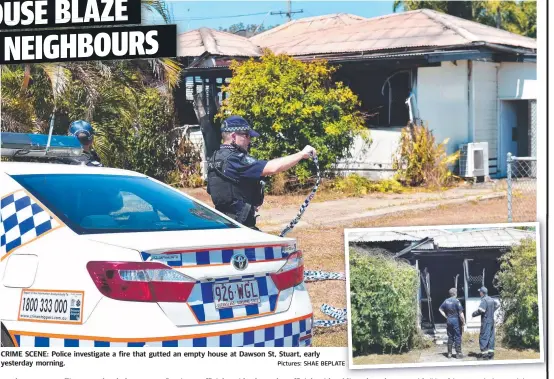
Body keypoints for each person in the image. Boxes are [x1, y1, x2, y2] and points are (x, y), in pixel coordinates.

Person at [207, 115, 316, 229]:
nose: (249, 140)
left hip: (223, 224)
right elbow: (273, 167)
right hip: (242, 226)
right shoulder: (236, 159)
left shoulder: (215, 158)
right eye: (246, 135)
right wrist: (301, 154)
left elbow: (215, 190)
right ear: (234, 136)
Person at [472, 286, 500, 360]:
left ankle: (484, 355)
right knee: (491, 337)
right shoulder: (491, 299)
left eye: (480, 292)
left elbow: (481, 310)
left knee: (483, 337)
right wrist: (492, 310)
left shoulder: (484, 300)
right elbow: (498, 305)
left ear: (482, 293)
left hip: (486, 321)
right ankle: (491, 354)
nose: (479, 293)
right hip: (491, 321)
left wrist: (473, 314)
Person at [439, 287, 466, 359]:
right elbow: (461, 314)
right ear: (455, 293)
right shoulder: (457, 301)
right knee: (457, 336)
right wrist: (463, 322)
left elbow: (440, 309)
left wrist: (446, 316)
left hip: (449, 320)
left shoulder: (446, 301)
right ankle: (458, 353)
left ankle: (449, 353)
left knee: (450, 336)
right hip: (455, 321)